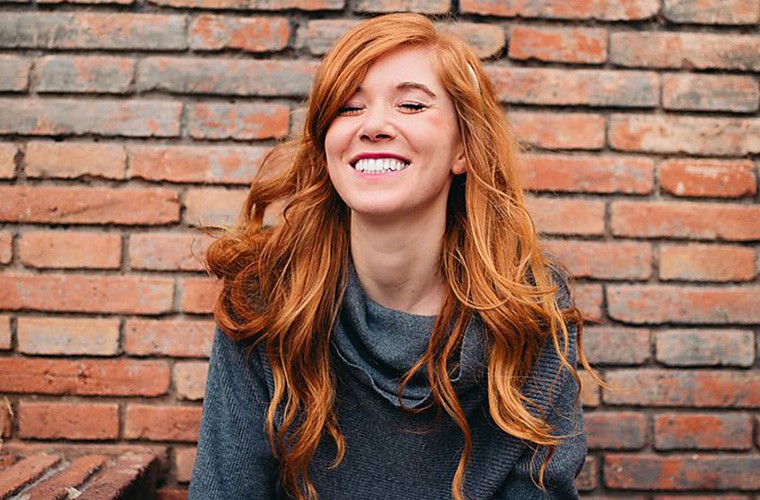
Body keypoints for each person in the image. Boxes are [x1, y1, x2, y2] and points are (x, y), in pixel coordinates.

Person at [190, 12, 592, 500]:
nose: (375, 125)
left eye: (411, 105)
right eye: (349, 107)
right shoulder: (266, 301)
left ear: (462, 149)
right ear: (326, 143)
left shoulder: (530, 311)